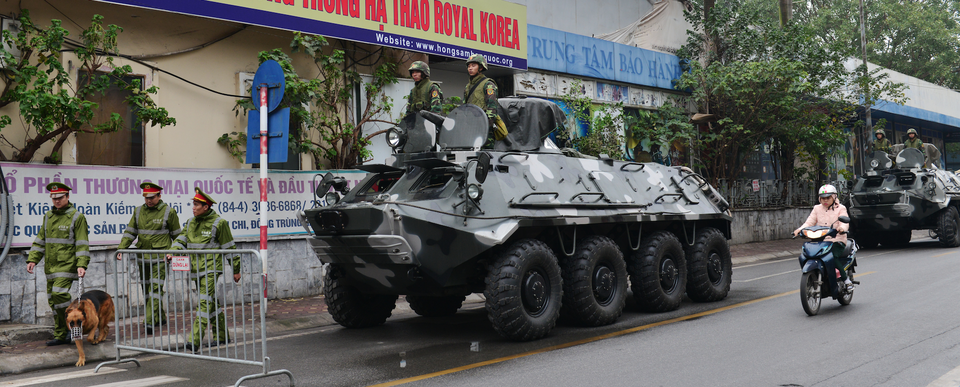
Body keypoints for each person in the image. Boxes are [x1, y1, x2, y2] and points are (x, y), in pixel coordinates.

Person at [169, 187, 240, 352]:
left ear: (206, 207)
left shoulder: (219, 223)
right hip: (196, 270)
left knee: (202, 303)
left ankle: (194, 340)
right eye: (193, 204)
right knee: (211, 302)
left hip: (211, 269)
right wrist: (173, 252)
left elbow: (230, 247)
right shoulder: (190, 223)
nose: (193, 207)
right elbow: (181, 240)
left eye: (196, 204)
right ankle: (222, 337)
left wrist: (236, 269)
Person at [26, 182, 90, 346]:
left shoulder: (77, 217)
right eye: (54, 198)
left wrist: (82, 264)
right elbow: (41, 239)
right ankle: (61, 335)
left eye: (60, 198)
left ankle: (71, 328)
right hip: (51, 267)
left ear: (67, 196)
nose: (57, 201)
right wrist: (33, 258)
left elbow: (82, 243)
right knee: (54, 302)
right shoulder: (48, 216)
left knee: (59, 294)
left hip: (67, 266)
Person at [116, 182, 181, 334]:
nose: (149, 201)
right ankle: (160, 317)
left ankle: (149, 321)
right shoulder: (138, 211)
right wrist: (121, 248)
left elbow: (178, 236)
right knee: (146, 290)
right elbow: (130, 232)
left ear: (159, 196)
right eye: (146, 197)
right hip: (142, 257)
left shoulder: (169, 212)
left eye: (152, 197)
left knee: (155, 289)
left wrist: (173, 252)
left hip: (160, 258)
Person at [793, 184, 853, 291]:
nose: (825, 200)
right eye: (823, 198)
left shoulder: (841, 208)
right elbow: (809, 222)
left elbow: (844, 223)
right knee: (805, 255)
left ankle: (846, 280)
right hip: (821, 241)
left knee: (832, 257)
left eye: (828, 198)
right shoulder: (817, 208)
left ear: (834, 197)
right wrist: (799, 230)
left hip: (837, 240)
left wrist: (842, 228)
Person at [463, 54, 504, 147]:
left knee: (485, 157)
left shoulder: (488, 84)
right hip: (470, 128)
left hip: (484, 129)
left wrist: (486, 126)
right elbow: (464, 107)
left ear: (481, 67)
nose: (470, 68)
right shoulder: (468, 87)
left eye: (473, 66)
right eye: (469, 66)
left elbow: (492, 107)